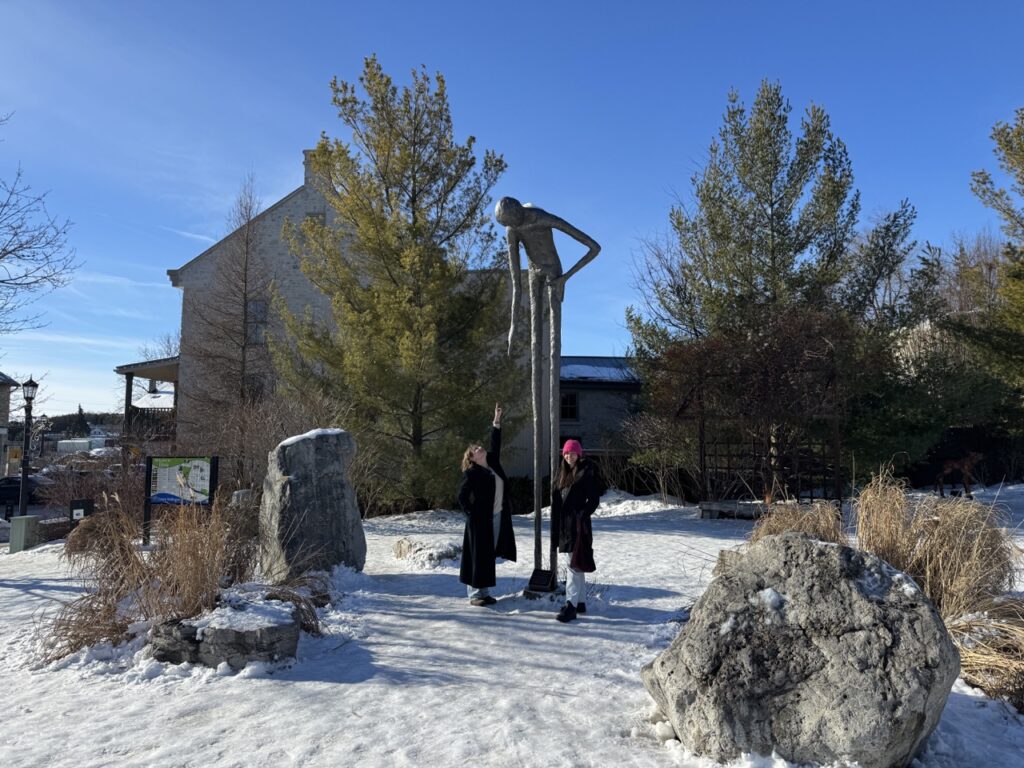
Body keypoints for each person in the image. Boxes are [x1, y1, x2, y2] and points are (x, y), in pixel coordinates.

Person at [457, 404, 517, 606]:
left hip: (497, 515)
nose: (479, 448)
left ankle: (484, 592)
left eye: (479, 446)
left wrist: (497, 420)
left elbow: (495, 442)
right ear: (472, 457)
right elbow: (462, 497)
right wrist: (471, 514)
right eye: (475, 449)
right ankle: (475, 595)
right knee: (478, 555)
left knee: (488, 555)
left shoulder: (492, 463)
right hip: (479, 520)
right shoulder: (472, 474)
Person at [551, 439, 601, 623]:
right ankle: (580, 602)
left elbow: (594, 500)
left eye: (572, 453)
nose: (568, 456)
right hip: (565, 527)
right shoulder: (563, 474)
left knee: (572, 566)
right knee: (576, 564)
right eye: (565, 453)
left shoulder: (585, 473)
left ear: (578, 454)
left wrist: (581, 515)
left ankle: (570, 606)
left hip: (578, 527)